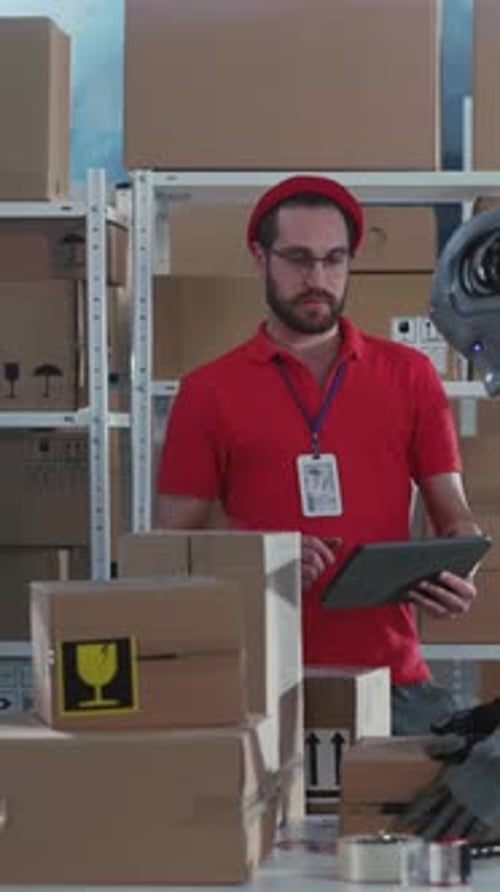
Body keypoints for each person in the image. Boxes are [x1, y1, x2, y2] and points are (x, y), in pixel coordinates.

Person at [156, 174, 483, 735]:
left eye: (334, 260)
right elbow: (170, 550)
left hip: (390, 680)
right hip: (258, 681)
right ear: (260, 258)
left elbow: (453, 514)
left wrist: (459, 563)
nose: (318, 279)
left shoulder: (409, 375)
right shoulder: (208, 391)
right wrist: (264, 554)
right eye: (298, 259)